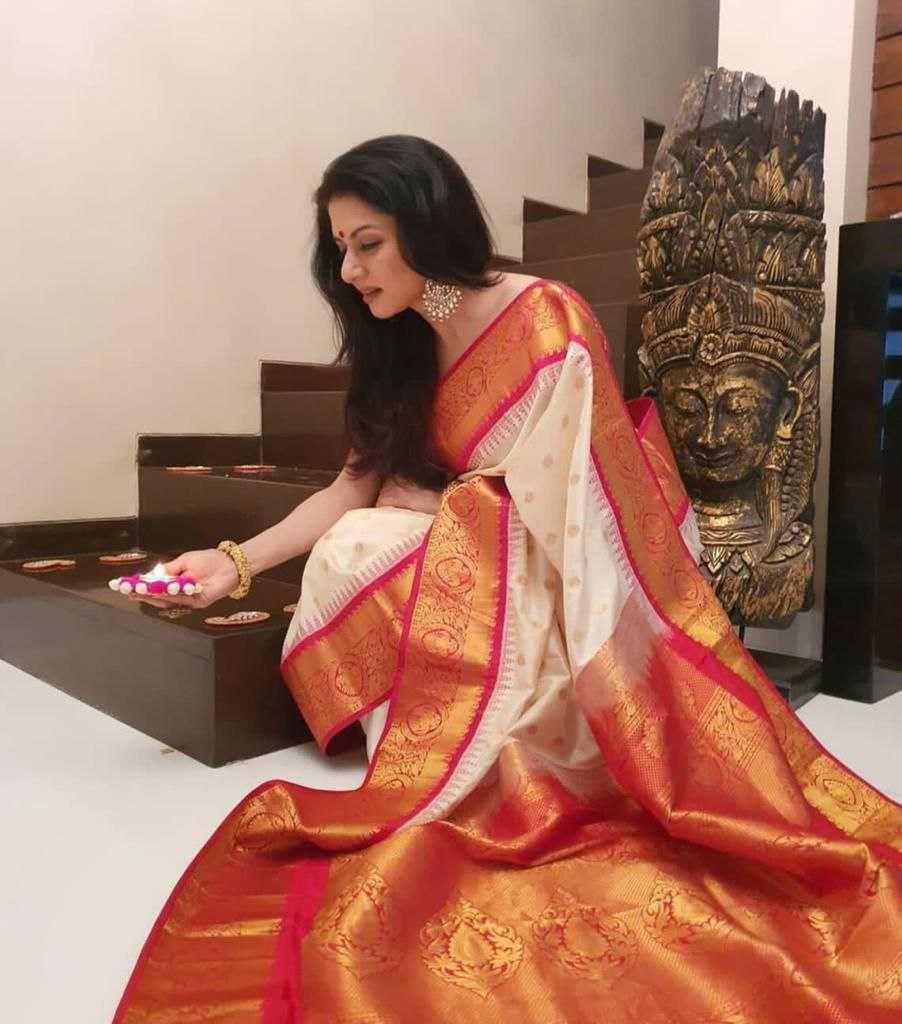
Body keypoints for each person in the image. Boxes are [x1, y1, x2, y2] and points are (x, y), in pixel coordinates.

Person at [117, 136, 902, 1023]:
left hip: (567, 595)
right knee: (353, 542)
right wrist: (232, 563)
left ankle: (480, 752)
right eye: (339, 248)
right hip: (480, 581)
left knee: (391, 539)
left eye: (368, 243)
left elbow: (583, 513)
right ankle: (436, 749)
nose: (350, 270)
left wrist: (454, 505)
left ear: (427, 226)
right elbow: (350, 489)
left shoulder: (543, 323)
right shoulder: (397, 347)